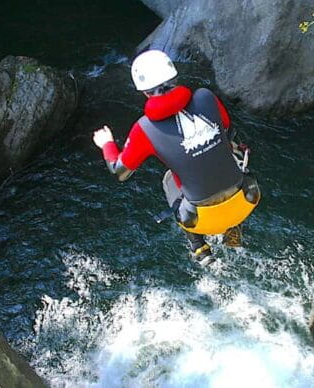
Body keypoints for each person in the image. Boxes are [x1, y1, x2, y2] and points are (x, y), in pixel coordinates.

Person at [92, 50, 261, 266]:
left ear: (144, 92)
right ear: (175, 77)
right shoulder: (206, 97)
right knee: (224, 154)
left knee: (170, 179)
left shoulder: (144, 128)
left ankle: (199, 247)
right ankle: (233, 228)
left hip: (199, 220)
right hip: (247, 198)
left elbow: (120, 171)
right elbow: (227, 131)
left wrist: (107, 143)